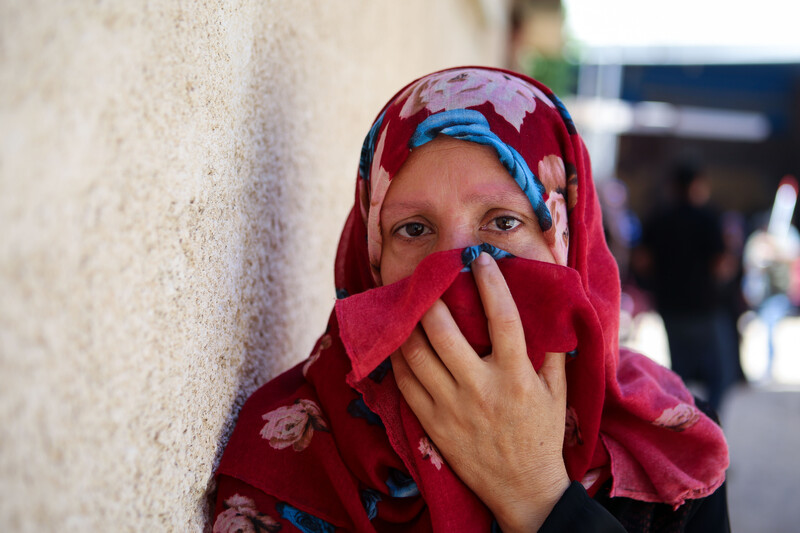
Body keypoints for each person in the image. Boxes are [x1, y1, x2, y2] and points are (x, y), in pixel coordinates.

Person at [212, 67, 729, 532]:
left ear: (568, 245)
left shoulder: (665, 450)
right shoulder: (295, 453)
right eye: (413, 229)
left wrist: (539, 498)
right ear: (370, 261)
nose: (454, 269)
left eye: (504, 223)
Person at [637, 161, 737, 412]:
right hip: (704, 307)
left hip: (670, 306)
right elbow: (720, 266)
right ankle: (708, 419)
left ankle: (684, 421)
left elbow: (641, 261)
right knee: (721, 374)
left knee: (679, 373)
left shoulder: (657, 217)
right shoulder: (708, 218)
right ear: (696, 185)